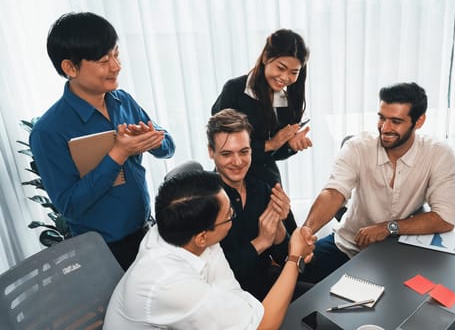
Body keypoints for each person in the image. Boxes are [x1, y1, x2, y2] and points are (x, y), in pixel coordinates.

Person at [29, 12, 175, 270]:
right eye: (104, 60)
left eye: (116, 55)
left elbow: (168, 147)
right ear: (70, 68)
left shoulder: (123, 100)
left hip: (147, 233)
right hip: (103, 253)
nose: (116, 67)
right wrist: (117, 154)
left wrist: (153, 141)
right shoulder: (48, 131)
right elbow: (70, 206)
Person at [103, 170, 315, 330]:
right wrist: (294, 257)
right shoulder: (168, 281)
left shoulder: (186, 231)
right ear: (202, 237)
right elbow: (262, 326)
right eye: (229, 216)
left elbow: (232, 291)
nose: (233, 213)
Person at [300, 82, 455, 283]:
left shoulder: (439, 153)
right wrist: (305, 231)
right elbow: (334, 192)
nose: (385, 128)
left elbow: (445, 218)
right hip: (347, 246)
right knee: (294, 281)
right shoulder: (357, 147)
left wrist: (388, 227)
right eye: (382, 118)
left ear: (419, 121)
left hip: (398, 255)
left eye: (395, 121)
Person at [211, 29, 312, 232]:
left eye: (294, 72)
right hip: (232, 176)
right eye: (281, 68)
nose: (285, 78)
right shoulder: (235, 90)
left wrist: (289, 146)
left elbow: (273, 154)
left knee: (288, 237)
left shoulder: (287, 99)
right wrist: (271, 144)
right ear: (266, 57)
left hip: (266, 178)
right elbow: (221, 145)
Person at [207, 108, 292, 301]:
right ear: (211, 152)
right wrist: (260, 243)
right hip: (230, 300)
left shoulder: (261, 187)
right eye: (227, 154)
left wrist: (279, 223)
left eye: (244, 152)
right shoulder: (203, 201)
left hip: (267, 285)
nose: (238, 162)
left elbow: (283, 257)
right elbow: (211, 275)